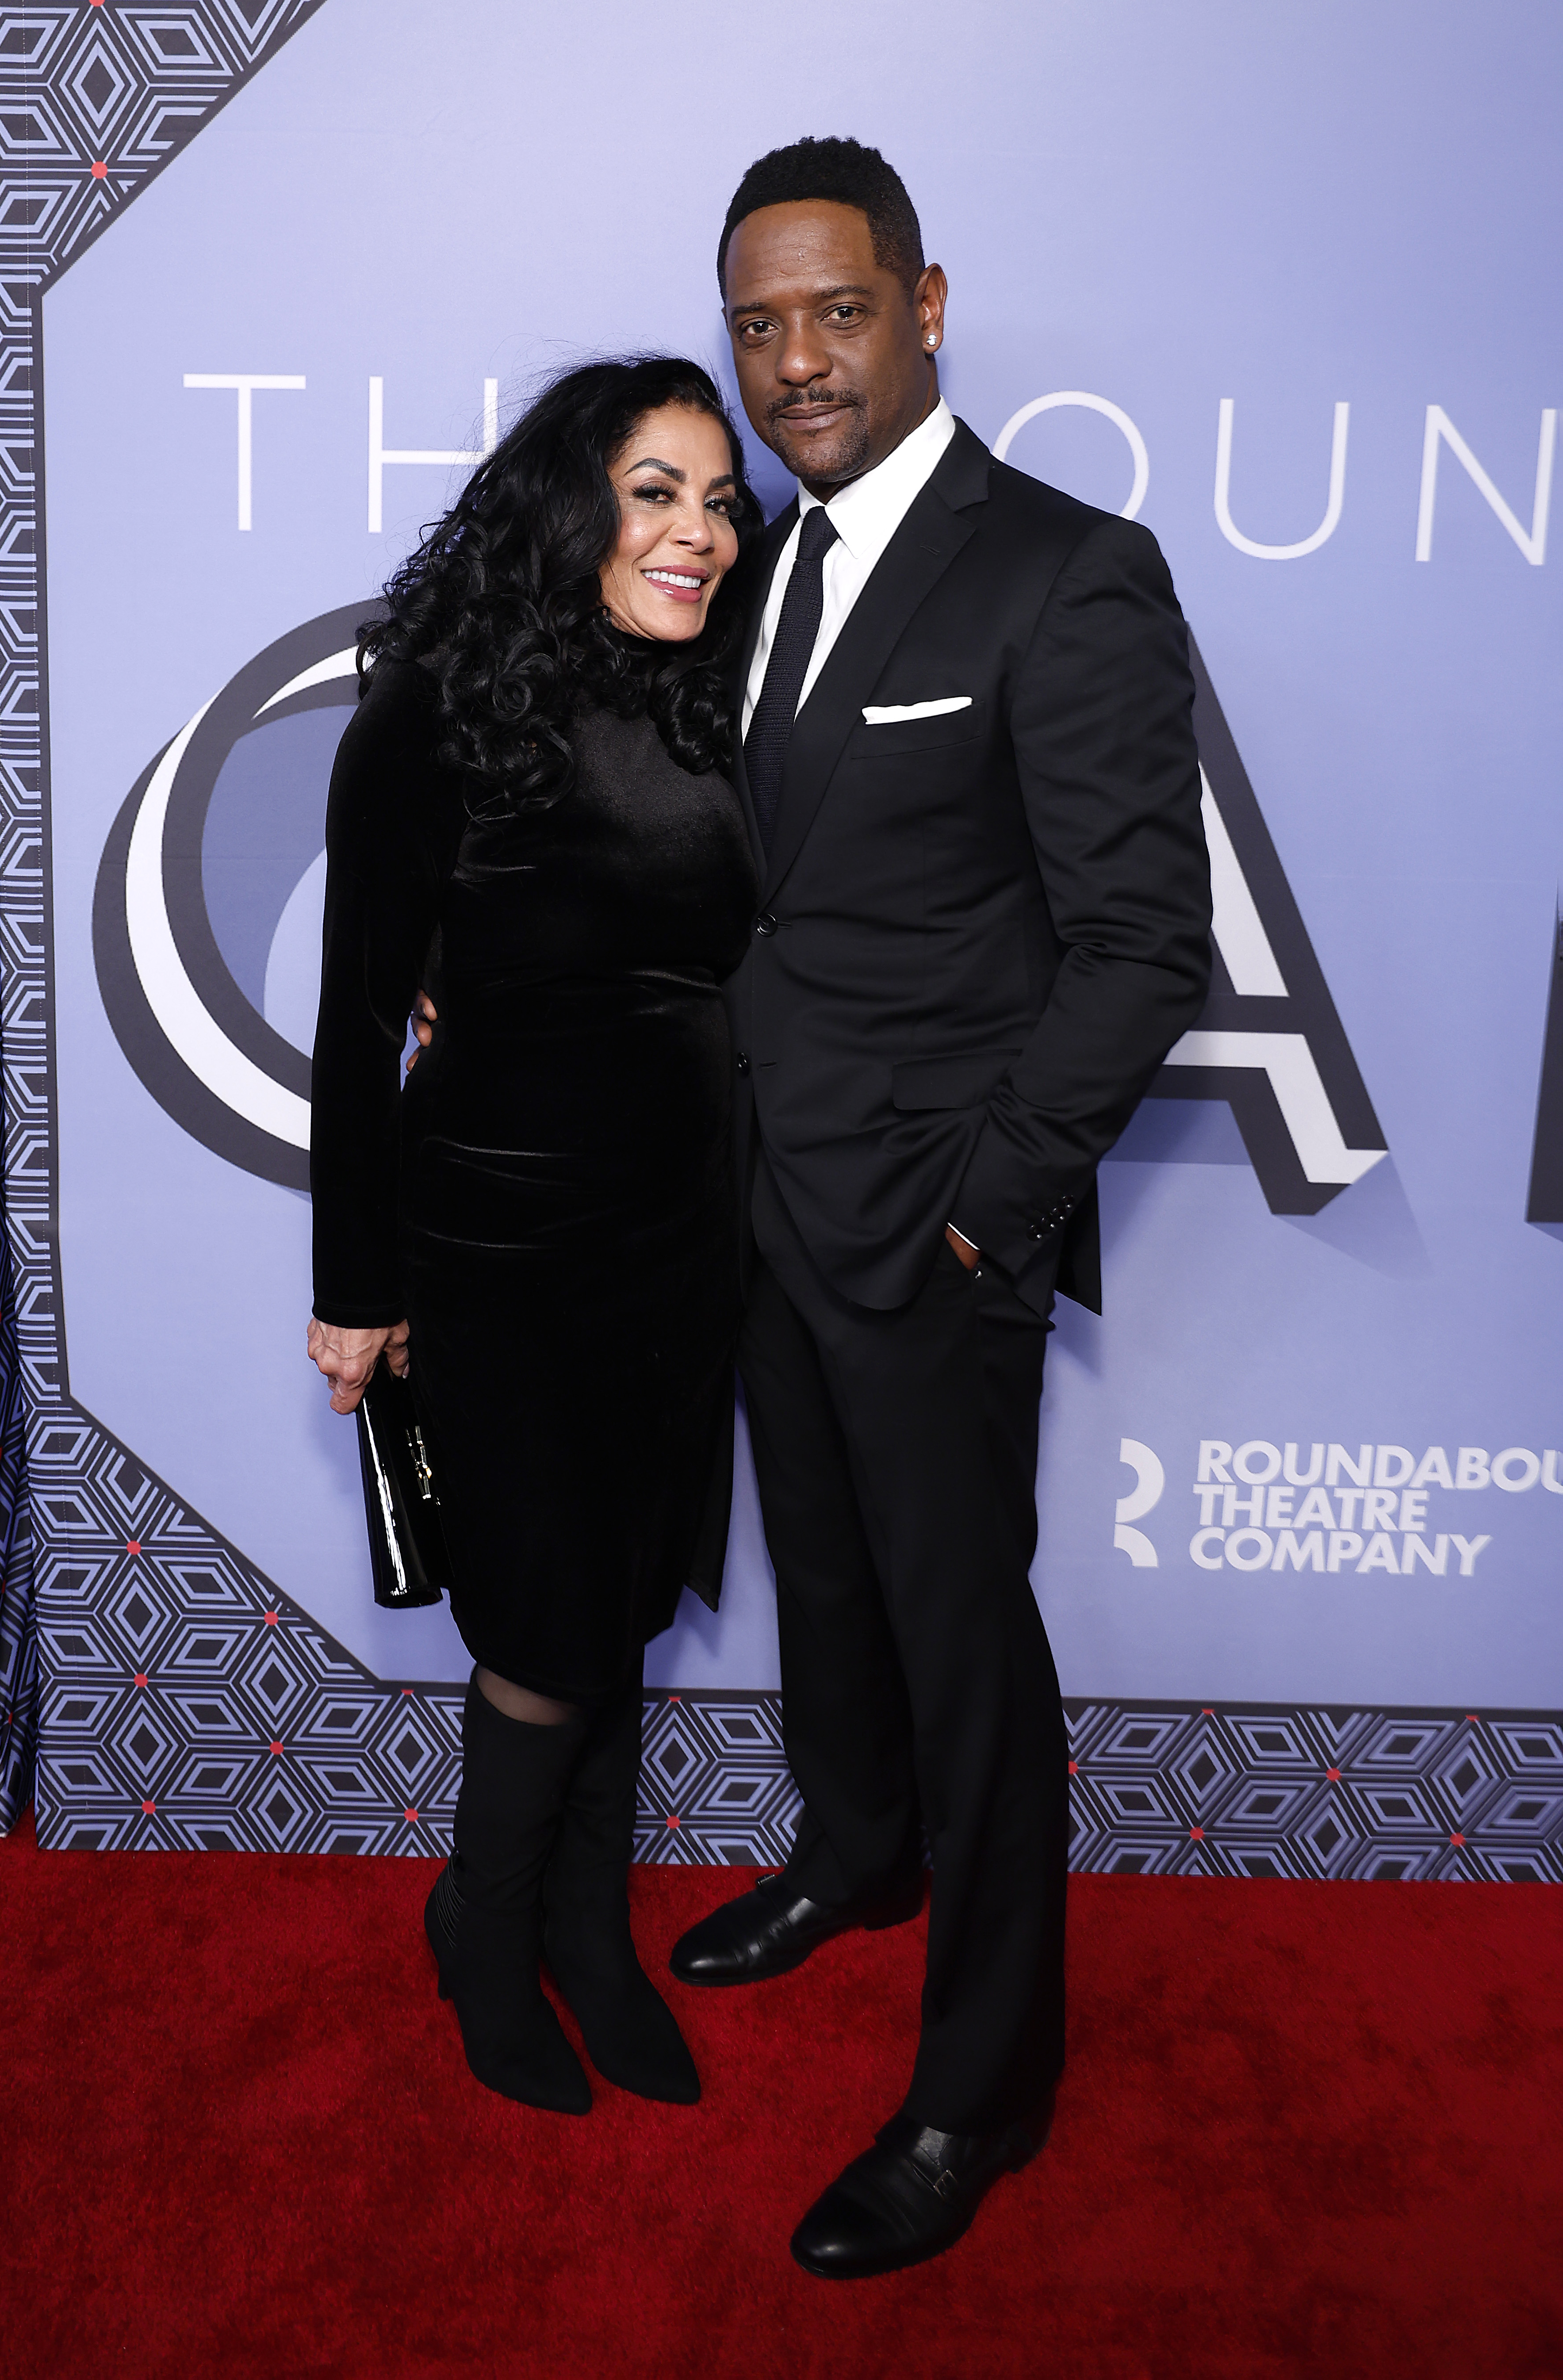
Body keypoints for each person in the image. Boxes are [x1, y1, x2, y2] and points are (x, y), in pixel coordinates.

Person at [659, 138, 1213, 2276]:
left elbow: (1142, 945)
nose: (796, 361)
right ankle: (854, 1854)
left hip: (935, 1228)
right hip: (764, 1205)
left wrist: (991, 1214)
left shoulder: (1065, 570)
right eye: (761, 323)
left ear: (927, 302)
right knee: (823, 1572)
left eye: (838, 310)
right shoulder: (753, 569)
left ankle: (982, 2083)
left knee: (972, 1648)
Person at [305, 358, 761, 2116]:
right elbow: (357, 1025)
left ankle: (589, 1930)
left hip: (681, 1237)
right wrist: (358, 1288)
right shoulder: (426, 713)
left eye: (719, 501)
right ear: (571, 501)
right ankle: (486, 1924)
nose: (698, 534)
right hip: (491, 1246)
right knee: (547, 1623)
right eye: (656, 492)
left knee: (625, 1601)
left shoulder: (727, 693)